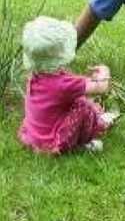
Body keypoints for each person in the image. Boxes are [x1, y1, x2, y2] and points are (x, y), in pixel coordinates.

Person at [18, 16, 117, 154]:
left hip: (33, 137)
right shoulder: (64, 85)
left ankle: (97, 117)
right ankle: (84, 143)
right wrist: (105, 72)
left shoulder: (35, 76)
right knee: (82, 106)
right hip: (53, 143)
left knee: (77, 100)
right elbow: (101, 87)